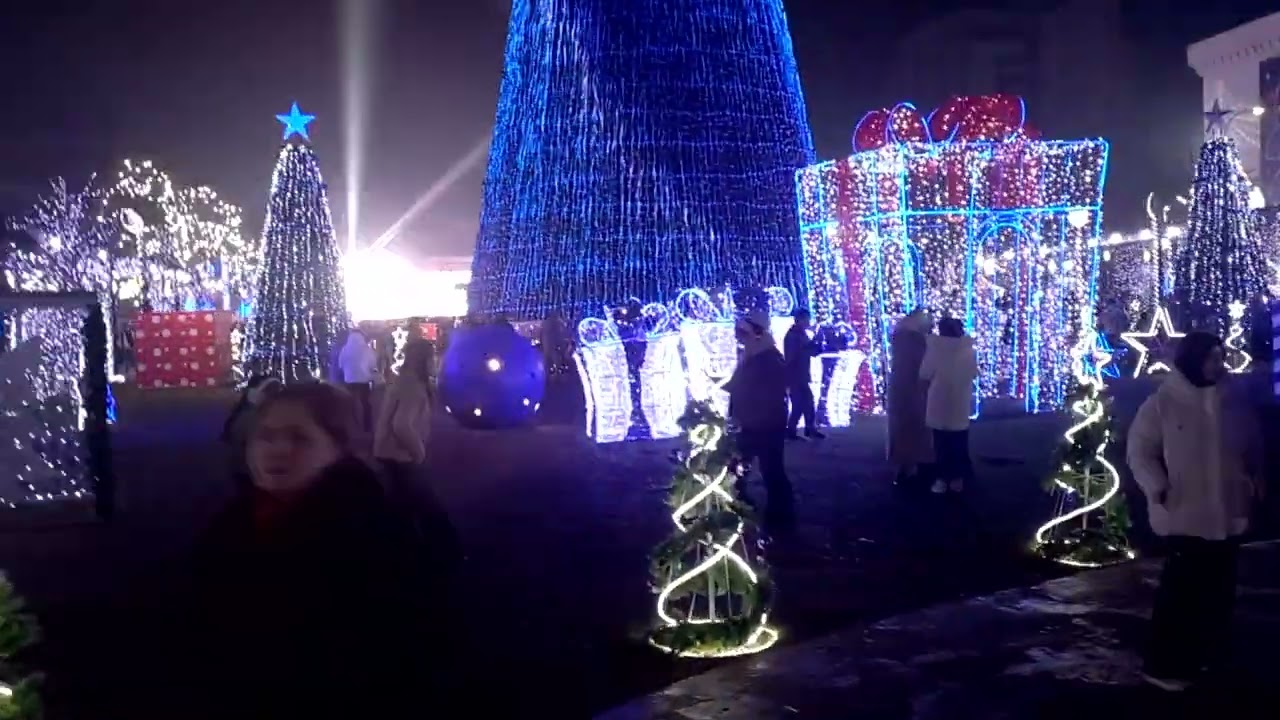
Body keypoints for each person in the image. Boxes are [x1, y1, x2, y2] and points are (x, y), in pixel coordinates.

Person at [182, 383, 454, 718]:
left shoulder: (372, 535)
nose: (278, 449)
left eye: (300, 438)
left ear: (339, 450)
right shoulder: (230, 525)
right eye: (266, 436)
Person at [1127, 331, 1263, 692]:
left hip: (1229, 511)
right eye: (1210, 358)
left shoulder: (1234, 401)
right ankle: (1166, 663)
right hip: (1185, 512)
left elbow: (1251, 446)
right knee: (1181, 593)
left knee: (1219, 591)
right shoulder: (1163, 403)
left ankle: (1211, 656)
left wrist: (1251, 483)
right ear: (1192, 360)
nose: (1218, 366)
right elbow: (1140, 450)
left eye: (1221, 357)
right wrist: (1157, 486)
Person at [374, 340, 464, 570]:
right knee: (428, 509)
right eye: (432, 357)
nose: (435, 362)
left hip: (389, 455)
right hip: (401, 457)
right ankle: (446, 557)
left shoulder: (404, 381)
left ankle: (405, 560)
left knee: (401, 511)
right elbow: (402, 424)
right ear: (424, 360)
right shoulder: (413, 386)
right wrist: (419, 452)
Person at [724, 308, 794, 529]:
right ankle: (746, 505)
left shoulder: (769, 357)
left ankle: (781, 513)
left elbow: (771, 391)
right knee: (740, 466)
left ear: (756, 333)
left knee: (770, 469)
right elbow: (742, 386)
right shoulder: (752, 355)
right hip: (751, 422)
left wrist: (746, 403)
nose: (740, 339)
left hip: (764, 423)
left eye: (743, 334)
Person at [919, 317, 977, 494]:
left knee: (941, 442)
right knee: (959, 440)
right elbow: (973, 373)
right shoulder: (968, 349)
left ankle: (942, 479)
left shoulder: (935, 348)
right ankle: (958, 478)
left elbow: (925, 373)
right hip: (960, 400)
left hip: (939, 399)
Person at [887, 309, 933, 486]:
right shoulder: (919, 340)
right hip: (915, 387)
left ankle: (904, 466)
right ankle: (915, 465)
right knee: (916, 427)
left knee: (902, 427)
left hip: (900, 387)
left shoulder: (899, 336)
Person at [219, 375, 281, 489]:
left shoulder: (264, 414)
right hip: (250, 473)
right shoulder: (250, 417)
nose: (275, 396)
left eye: (277, 392)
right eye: (270, 392)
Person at [783, 308, 824, 440]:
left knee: (806, 403)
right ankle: (796, 430)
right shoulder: (793, 336)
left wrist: (816, 342)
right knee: (800, 404)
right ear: (799, 320)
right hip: (796, 375)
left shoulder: (799, 334)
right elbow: (799, 354)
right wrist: (814, 343)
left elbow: (811, 351)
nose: (808, 322)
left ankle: (806, 429)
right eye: (806, 319)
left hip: (800, 375)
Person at [338, 327, 378, 431]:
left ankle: (352, 426)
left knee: (350, 403)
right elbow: (373, 365)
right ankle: (367, 426)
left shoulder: (344, 349)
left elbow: (340, 365)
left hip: (349, 380)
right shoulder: (366, 349)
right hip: (364, 381)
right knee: (365, 403)